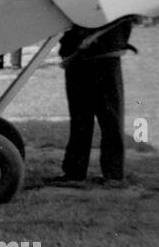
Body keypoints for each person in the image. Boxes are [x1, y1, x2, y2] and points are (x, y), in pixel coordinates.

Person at [49, 17, 137, 185]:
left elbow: (127, 15)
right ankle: (74, 173)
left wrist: (94, 36)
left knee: (110, 120)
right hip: (77, 57)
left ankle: (113, 175)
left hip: (105, 57)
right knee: (80, 120)